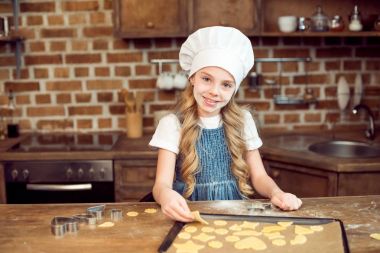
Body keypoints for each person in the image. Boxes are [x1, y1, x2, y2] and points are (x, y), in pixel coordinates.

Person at [149, 26, 302, 222]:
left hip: (235, 215)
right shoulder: (172, 124)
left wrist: (276, 192)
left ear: (234, 89)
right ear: (192, 78)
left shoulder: (243, 121)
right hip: (189, 214)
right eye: (206, 79)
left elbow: (259, 177)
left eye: (226, 84)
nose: (214, 91)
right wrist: (165, 196)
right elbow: (161, 185)